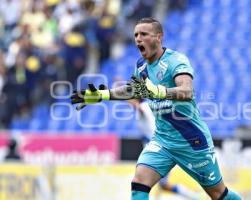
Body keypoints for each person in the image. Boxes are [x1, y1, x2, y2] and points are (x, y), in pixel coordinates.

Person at [71, 17, 241, 200]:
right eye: (136, 35)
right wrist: (101, 95)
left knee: (218, 194)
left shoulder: (175, 60)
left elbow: (186, 91)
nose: (138, 39)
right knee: (139, 183)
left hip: (191, 140)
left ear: (159, 37)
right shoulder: (141, 66)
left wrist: (159, 91)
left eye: (144, 34)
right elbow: (133, 90)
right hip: (162, 140)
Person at [128, 99, 200, 199]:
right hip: (155, 150)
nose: (129, 101)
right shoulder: (145, 106)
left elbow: (141, 109)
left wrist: (135, 104)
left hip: (158, 151)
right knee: (161, 184)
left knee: (144, 181)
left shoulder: (144, 106)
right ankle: (194, 196)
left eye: (131, 99)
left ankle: (195, 196)